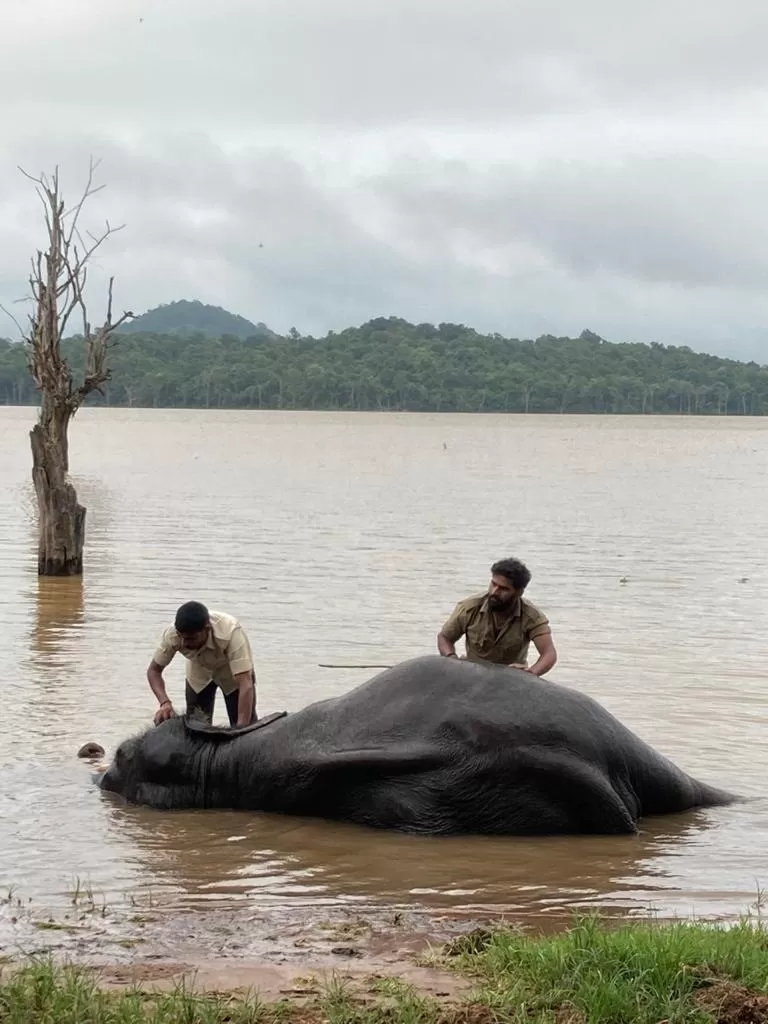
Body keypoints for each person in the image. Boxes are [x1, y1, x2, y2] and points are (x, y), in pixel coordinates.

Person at [437, 558, 557, 676]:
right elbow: (445, 637)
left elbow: (549, 654)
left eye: (503, 589)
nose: (494, 592)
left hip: (510, 678)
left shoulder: (532, 616)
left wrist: (531, 672)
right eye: (493, 584)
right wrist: (452, 659)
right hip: (473, 674)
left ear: (519, 592)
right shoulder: (470, 607)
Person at [147, 601, 258, 727]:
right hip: (199, 672)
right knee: (195, 729)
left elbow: (245, 683)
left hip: (232, 674)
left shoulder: (231, 632)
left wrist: (242, 729)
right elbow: (154, 671)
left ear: (207, 629)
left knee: (246, 727)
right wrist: (165, 703)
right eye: (181, 637)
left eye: (191, 639)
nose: (184, 643)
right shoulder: (173, 635)